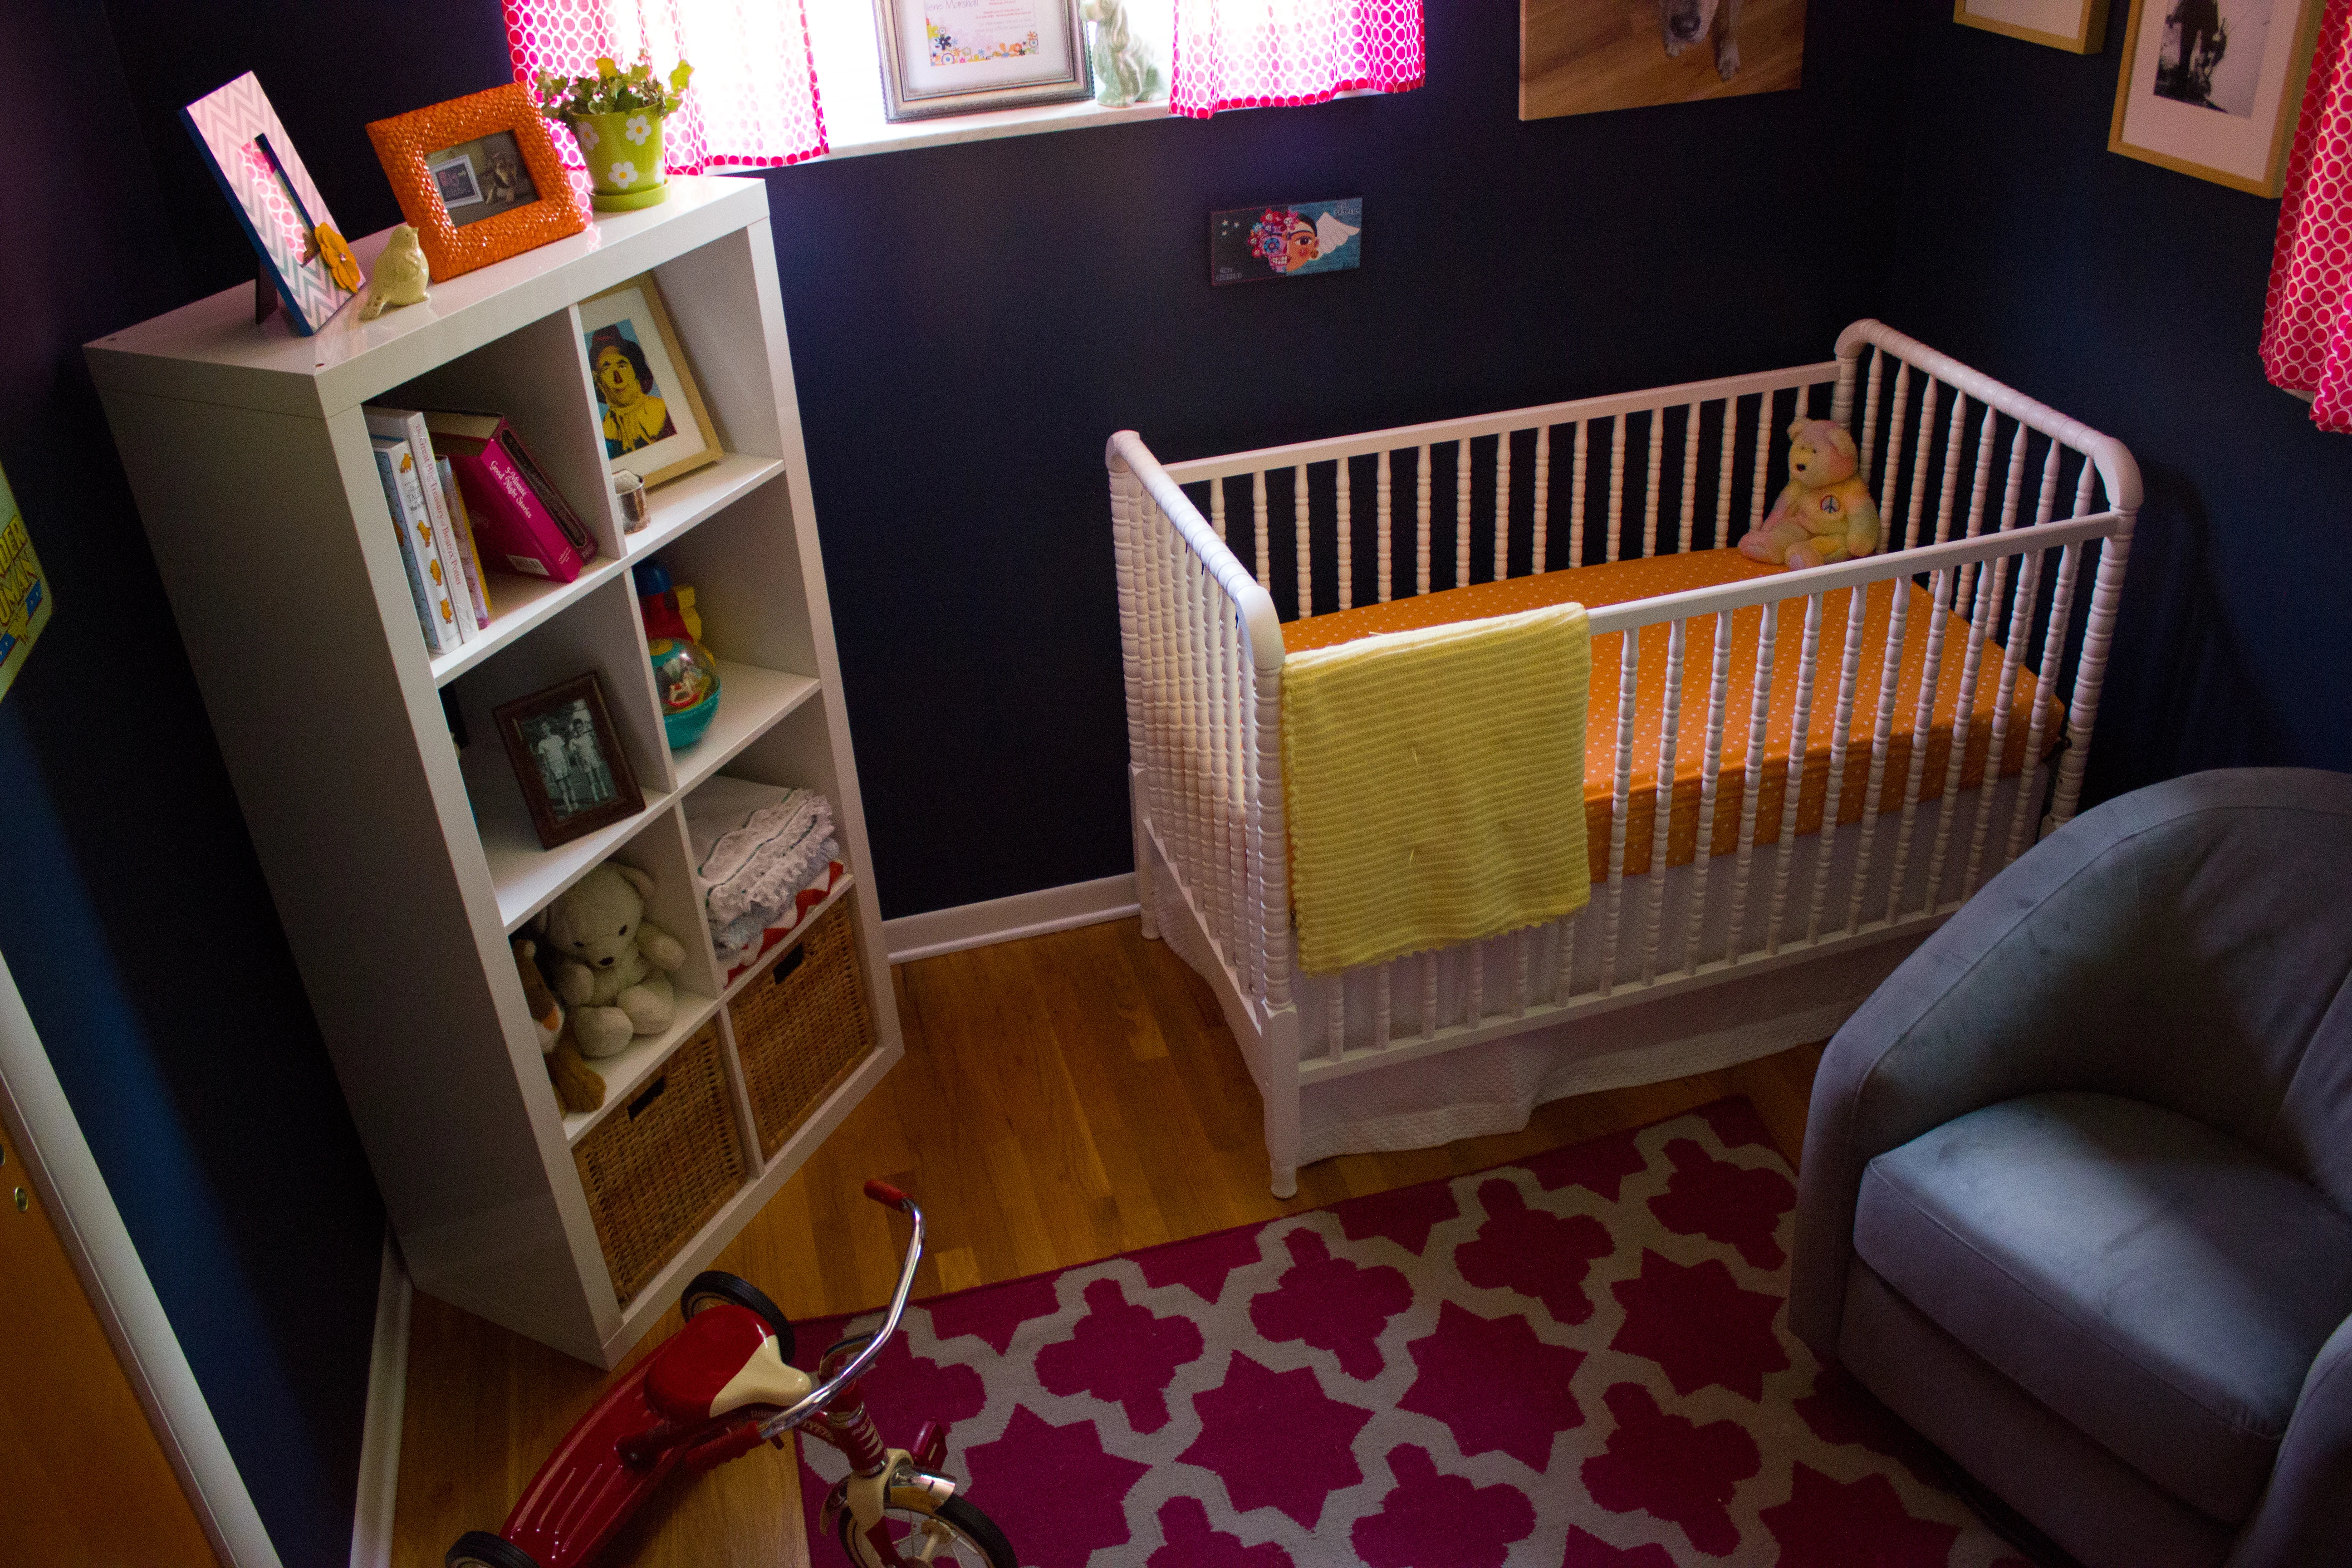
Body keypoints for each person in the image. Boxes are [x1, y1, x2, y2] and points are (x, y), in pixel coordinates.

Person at [590, 329, 675, 456]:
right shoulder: (604, 435)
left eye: (622, 366)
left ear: (635, 369)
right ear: (598, 379)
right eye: (607, 370)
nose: (618, 379)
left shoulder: (666, 412)